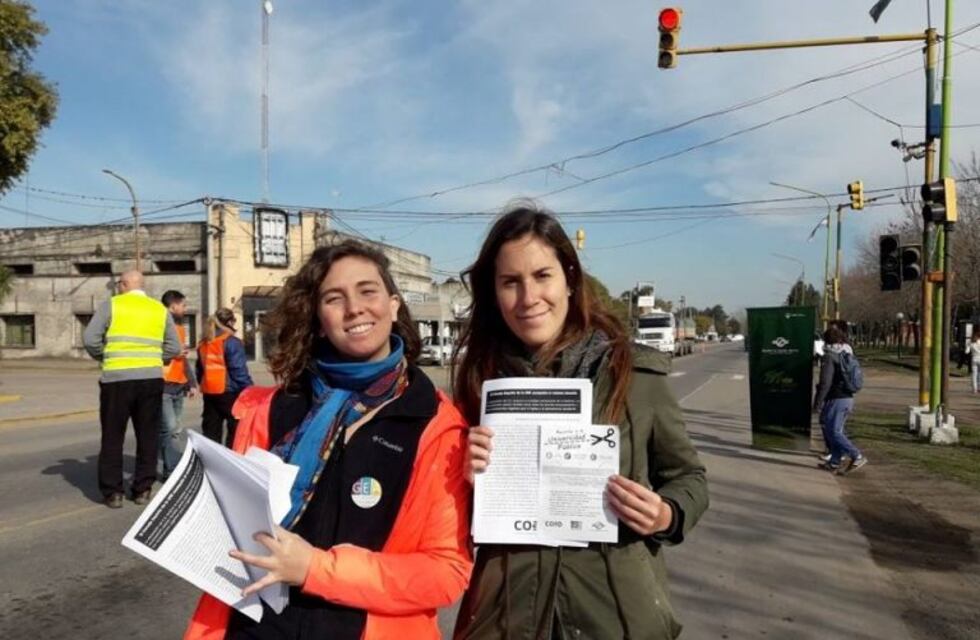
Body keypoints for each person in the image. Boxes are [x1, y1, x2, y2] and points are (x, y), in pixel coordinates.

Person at [184, 241, 473, 640]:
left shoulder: (436, 426)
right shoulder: (270, 411)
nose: (354, 308)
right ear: (319, 319)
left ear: (393, 305)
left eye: (368, 291)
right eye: (335, 299)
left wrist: (314, 569)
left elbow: (445, 572)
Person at [453, 203, 709, 640]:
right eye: (510, 282)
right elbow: (451, 521)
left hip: (614, 616)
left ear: (570, 279)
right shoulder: (480, 380)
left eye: (542, 276)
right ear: (494, 294)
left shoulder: (633, 373)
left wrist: (665, 514)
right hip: (505, 616)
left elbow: (689, 477)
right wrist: (464, 477)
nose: (528, 297)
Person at [83, 270, 182, 508]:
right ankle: (142, 489)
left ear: (125, 284)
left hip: (117, 380)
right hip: (150, 379)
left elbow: (90, 339)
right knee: (148, 435)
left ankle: (113, 493)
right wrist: (157, 359)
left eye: (119, 283)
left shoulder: (113, 305)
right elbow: (174, 346)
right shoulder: (158, 309)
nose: (118, 287)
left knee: (112, 436)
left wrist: (104, 357)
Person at [813, 325, 867, 474]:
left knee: (834, 431)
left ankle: (857, 455)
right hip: (847, 398)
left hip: (836, 398)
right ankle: (834, 462)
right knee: (833, 430)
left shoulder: (830, 356)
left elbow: (825, 383)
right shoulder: (846, 353)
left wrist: (817, 403)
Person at [197, 308, 253, 447]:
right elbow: (238, 370)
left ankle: (211, 463)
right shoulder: (232, 342)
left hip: (210, 392)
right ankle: (230, 462)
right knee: (235, 431)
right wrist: (250, 389)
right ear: (229, 322)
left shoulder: (204, 342)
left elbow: (199, 369)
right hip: (230, 393)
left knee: (211, 433)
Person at [159, 290, 199, 480]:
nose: (185, 309)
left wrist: (191, 382)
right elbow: (153, 355)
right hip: (163, 386)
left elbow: (182, 360)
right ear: (173, 306)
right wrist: (173, 354)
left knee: (175, 429)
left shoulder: (179, 328)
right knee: (168, 428)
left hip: (178, 386)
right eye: (183, 305)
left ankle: (171, 464)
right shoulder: (158, 326)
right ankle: (170, 469)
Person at [966, 328, 980, 394]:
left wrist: (968, 346)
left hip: (974, 359)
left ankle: (974, 389)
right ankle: (979, 387)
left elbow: (966, 352)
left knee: (974, 374)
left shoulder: (970, 343)